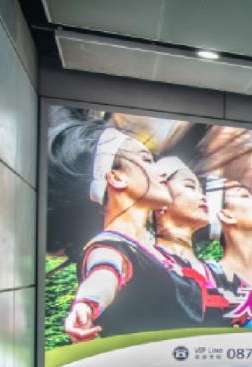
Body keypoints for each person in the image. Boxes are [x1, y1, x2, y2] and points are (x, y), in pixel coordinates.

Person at [48, 110, 204, 341]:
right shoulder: (110, 247)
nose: (160, 173)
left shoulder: (156, 253)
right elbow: (104, 274)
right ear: (116, 177)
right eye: (146, 160)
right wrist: (87, 304)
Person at [152, 157, 234, 326]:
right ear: (160, 200)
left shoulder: (219, 273)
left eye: (201, 190)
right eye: (190, 186)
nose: (203, 197)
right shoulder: (145, 260)